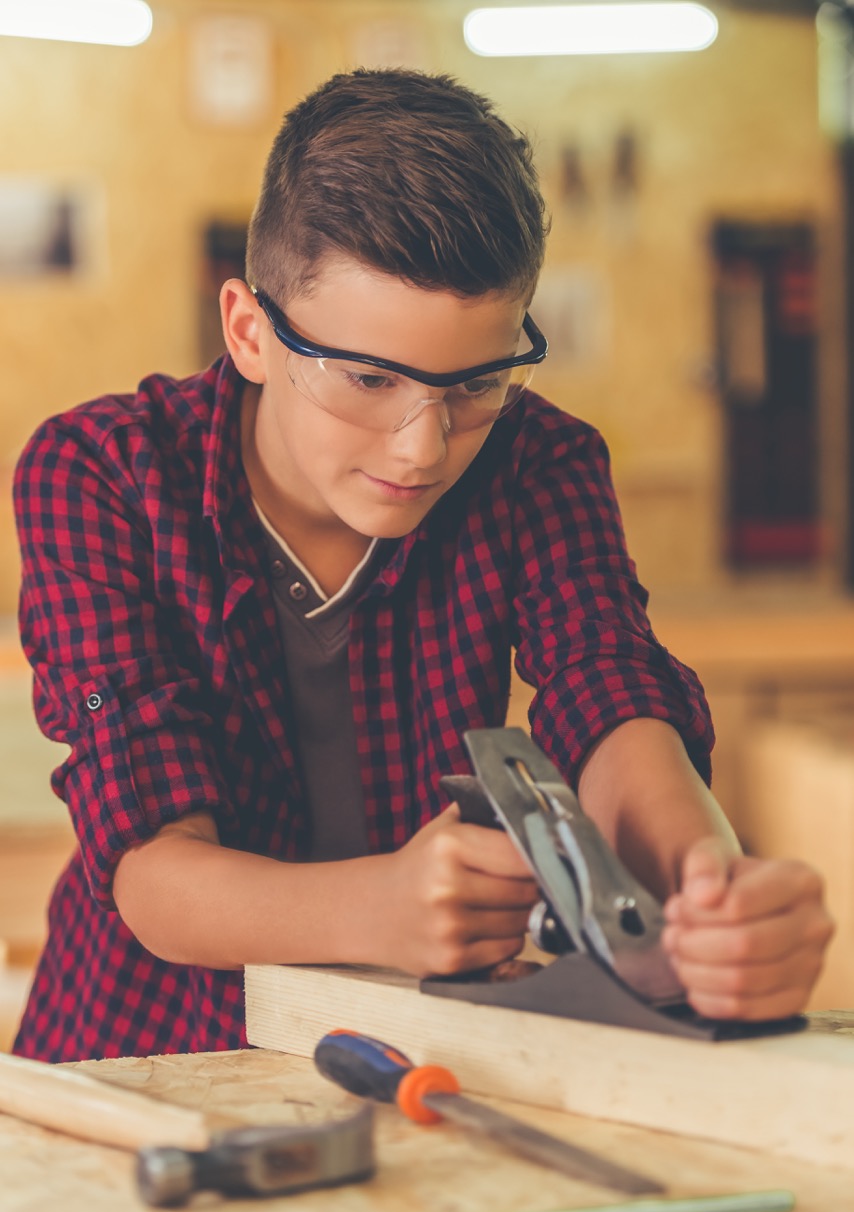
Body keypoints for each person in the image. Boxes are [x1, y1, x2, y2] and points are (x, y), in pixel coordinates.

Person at [13, 69, 832, 1063]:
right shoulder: (101, 471)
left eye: (478, 383)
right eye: (368, 379)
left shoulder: (539, 461)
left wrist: (706, 893)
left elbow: (607, 684)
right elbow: (151, 873)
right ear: (250, 333)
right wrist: (378, 906)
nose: (423, 448)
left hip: (411, 1043)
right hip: (147, 1052)